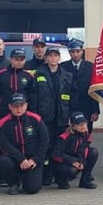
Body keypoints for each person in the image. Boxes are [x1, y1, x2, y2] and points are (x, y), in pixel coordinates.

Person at [34, 46, 77, 186]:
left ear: (59, 58)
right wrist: (35, 117)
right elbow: (33, 97)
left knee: (60, 148)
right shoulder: (38, 74)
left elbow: (73, 98)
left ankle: (60, 177)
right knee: (46, 147)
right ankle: (46, 176)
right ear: (46, 58)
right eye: (50, 56)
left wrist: (71, 117)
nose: (53, 58)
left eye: (55, 56)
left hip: (62, 119)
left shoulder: (68, 75)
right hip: (45, 118)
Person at [0, 93, 49, 195]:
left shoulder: (36, 119)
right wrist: (20, 159)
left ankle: (28, 179)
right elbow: (4, 144)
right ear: (10, 107)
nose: (18, 109)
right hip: (15, 159)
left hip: (32, 160)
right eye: (15, 106)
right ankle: (13, 184)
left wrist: (35, 159)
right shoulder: (3, 123)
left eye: (21, 106)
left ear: (26, 106)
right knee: (3, 161)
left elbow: (44, 141)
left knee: (32, 189)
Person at [52, 111, 98, 189]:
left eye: (84, 124)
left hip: (76, 161)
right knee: (72, 170)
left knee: (93, 152)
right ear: (73, 126)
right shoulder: (64, 137)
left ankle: (85, 180)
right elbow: (56, 155)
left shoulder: (86, 136)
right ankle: (62, 181)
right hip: (64, 163)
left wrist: (81, 162)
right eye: (80, 125)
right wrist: (72, 161)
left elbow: (83, 150)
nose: (83, 126)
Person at [62, 39, 100, 133]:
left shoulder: (90, 67)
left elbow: (94, 89)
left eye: (78, 51)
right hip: (69, 107)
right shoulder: (62, 67)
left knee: (86, 134)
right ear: (69, 52)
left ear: (82, 51)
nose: (75, 54)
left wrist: (95, 110)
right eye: (72, 51)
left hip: (86, 107)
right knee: (69, 135)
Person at [0, 48, 36, 117]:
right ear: (11, 60)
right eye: (16, 59)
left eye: (22, 60)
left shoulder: (29, 76)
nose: (19, 62)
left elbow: (33, 96)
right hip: (4, 111)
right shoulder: (0, 75)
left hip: (23, 112)